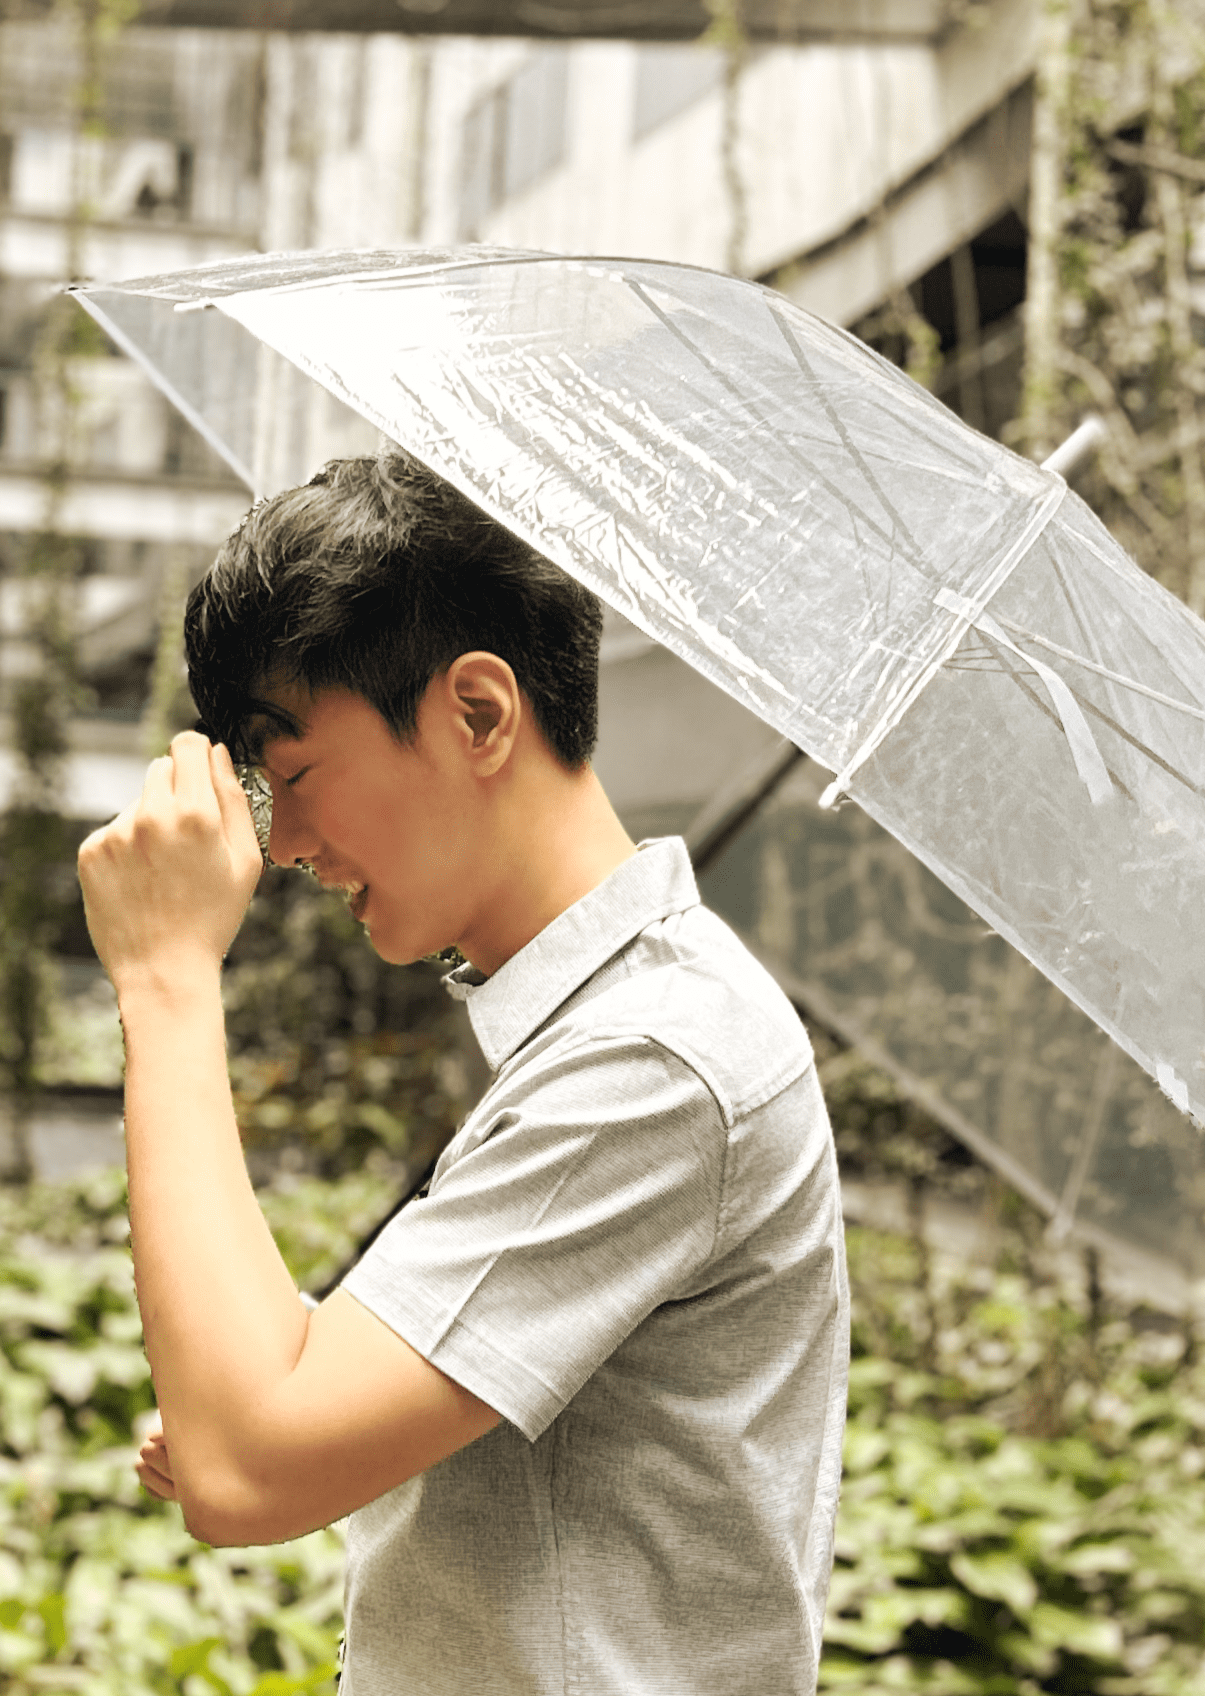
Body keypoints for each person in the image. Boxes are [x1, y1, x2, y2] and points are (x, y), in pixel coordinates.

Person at [75, 451, 849, 1696]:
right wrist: (275, 1379)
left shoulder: (650, 1063)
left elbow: (247, 1475)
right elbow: (276, 1427)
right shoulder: (597, 1033)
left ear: (479, 712)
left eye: (299, 779)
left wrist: (165, 976)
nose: (290, 852)